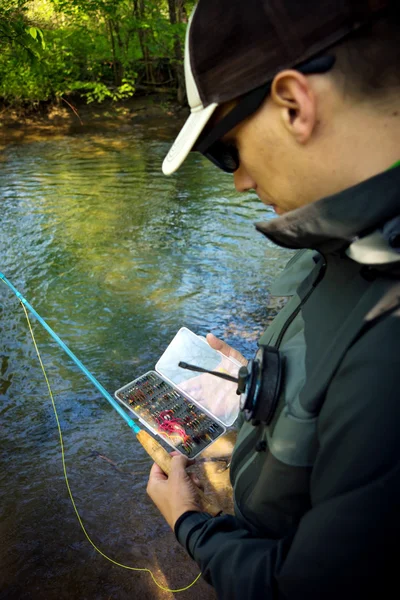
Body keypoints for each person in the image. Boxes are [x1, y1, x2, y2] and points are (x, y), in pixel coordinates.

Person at [147, 1, 400, 598]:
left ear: (293, 102)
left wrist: (188, 522)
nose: (237, 180)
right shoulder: (347, 244)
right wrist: (266, 387)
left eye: (225, 149)